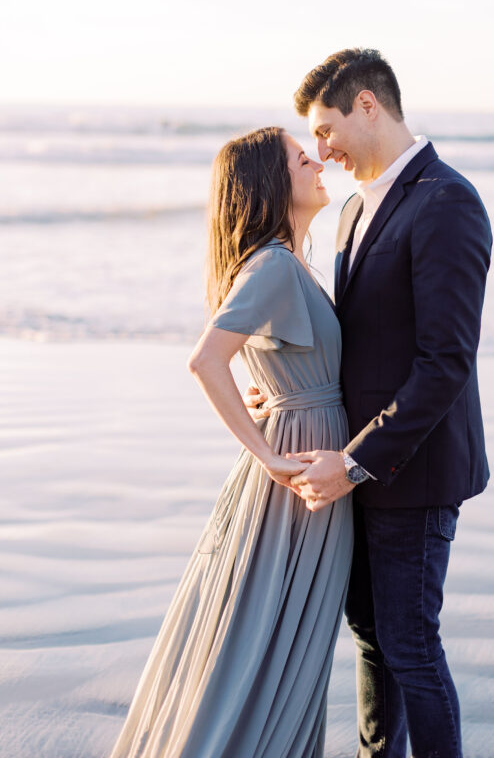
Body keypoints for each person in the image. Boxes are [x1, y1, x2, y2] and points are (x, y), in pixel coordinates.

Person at [108, 126, 353, 758]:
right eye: (304, 159)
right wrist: (266, 453)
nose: (319, 161)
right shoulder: (273, 263)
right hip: (297, 473)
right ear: (276, 183)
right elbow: (206, 360)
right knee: (268, 635)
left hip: (307, 453)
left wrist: (268, 387)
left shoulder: (289, 261)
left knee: (280, 634)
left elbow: (261, 355)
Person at [284, 48, 492, 758]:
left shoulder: (446, 201)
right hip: (361, 465)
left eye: (325, 128)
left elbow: (445, 364)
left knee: (409, 644)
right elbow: (356, 342)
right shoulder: (349, 212)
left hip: (414, 470)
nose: (321, 150)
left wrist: (356, 462)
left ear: (367, 105)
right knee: (371, 636)